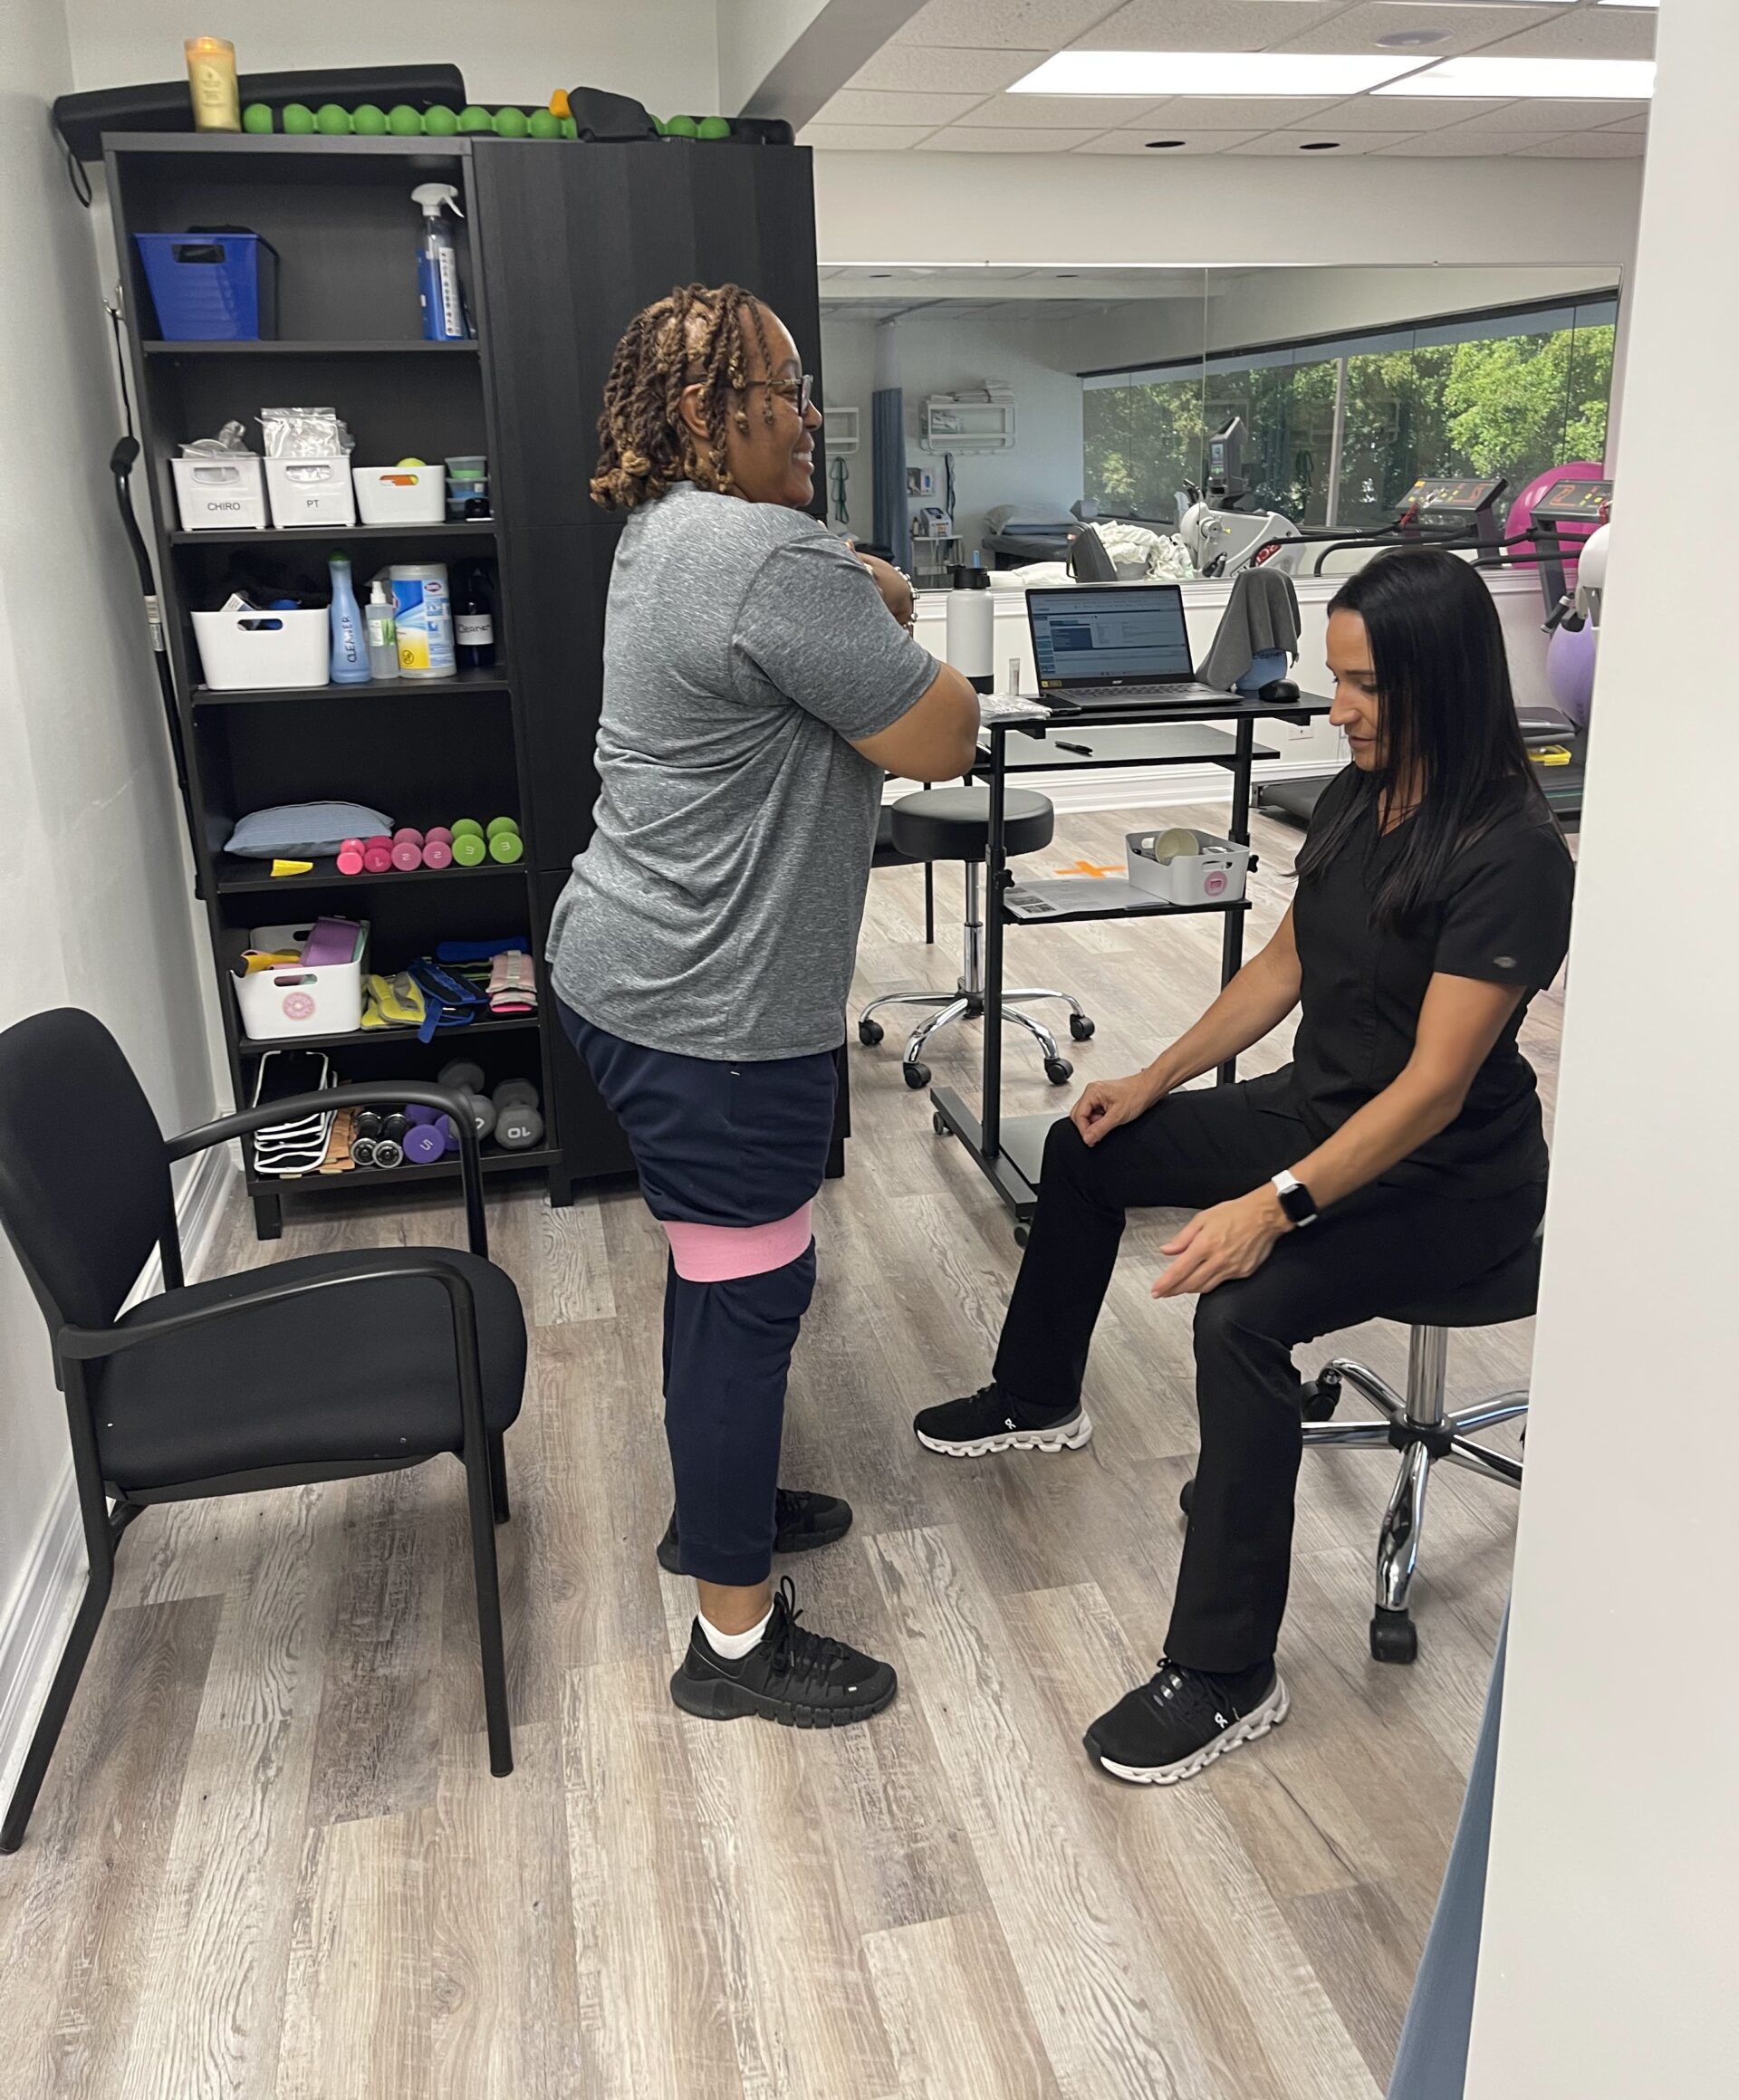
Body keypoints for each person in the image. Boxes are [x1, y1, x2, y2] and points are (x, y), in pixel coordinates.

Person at [914, 548, 1573, 1786]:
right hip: (1317, 1111)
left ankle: (1226, 1671)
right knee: (1086, 1146)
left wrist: (1273, 1207)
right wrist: (1152, 1079)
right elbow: (1284, 967)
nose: (1339, 710)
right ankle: (1036, 1395)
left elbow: (1434, 1087)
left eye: (1365, 686)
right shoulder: (1363, 796)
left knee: (1241, 1316)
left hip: (1448, 1182)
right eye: (1338, 680)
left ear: (1440, 681)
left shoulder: (1514, 854)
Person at [550, 281, 979, 1731]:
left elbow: (819, 632)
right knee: (751, 1302)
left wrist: (865, 594)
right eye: (784, 392)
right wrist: (891, 603)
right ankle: (731, 1644)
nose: (810, 414)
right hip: (709, 1011)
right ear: (701, 413)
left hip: (631, 973)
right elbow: (942, 733)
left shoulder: (670, 532)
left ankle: (712, 1512)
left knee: (717, 1271)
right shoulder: (769, 555)